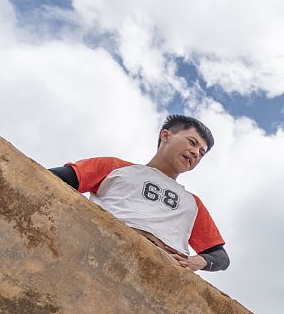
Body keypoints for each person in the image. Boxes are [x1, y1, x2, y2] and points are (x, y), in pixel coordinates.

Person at [48, 114, 229, 272]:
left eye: (201, 152)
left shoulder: (192, 203)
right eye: (192, 142)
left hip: (160, 271)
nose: (196, 152)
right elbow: (50, 177)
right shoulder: (114, 167)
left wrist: (200, 261)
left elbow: (220, 256)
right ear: (165, 135)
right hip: (102, 245)